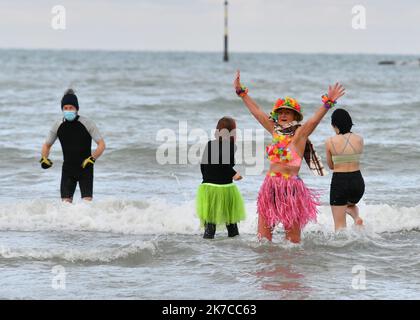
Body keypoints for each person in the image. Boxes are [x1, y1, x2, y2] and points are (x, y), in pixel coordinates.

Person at [234, 70, 345, 243]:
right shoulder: (274, 130)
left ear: (295, 115)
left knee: (292, 241)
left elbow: (313, 121)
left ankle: (291, 266)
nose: (284, 115)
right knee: (262, 239)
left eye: (288, 112)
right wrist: (242, 93)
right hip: (270, 186)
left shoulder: (300, 134)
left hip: (291, 189)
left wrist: (328, 103)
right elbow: (256, 112)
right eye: (281, 112)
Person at [40, 89, 106, 202]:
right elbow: (47, 145)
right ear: (62, 109)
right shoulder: (58, 125)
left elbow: (101, 145)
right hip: (68, 170)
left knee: (87, 206)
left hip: (86, 169)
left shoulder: (87, 123)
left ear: (76, 109)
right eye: (65, 108)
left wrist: (92, 159)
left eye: (71, 108)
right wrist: (44, 158)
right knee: (65, 207)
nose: (68, 110)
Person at [196, 116, 246, 239]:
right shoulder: (230, 146)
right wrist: (234, 174)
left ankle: (208, 251)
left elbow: (203, 164)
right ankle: (234, 249)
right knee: (231, 223)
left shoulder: (209, 144)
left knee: (210, 226)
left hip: (207, 187)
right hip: (224, 187)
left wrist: (206, 178)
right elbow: (224, 163)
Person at [325, 108, 364, 231]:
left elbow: (331, 166)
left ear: (334, 125)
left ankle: (342, 249)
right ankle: (356, 217)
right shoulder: (359, 139)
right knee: (349, 204)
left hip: (340, 181)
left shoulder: (330, 141)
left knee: (340, 228)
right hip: (357, 181)